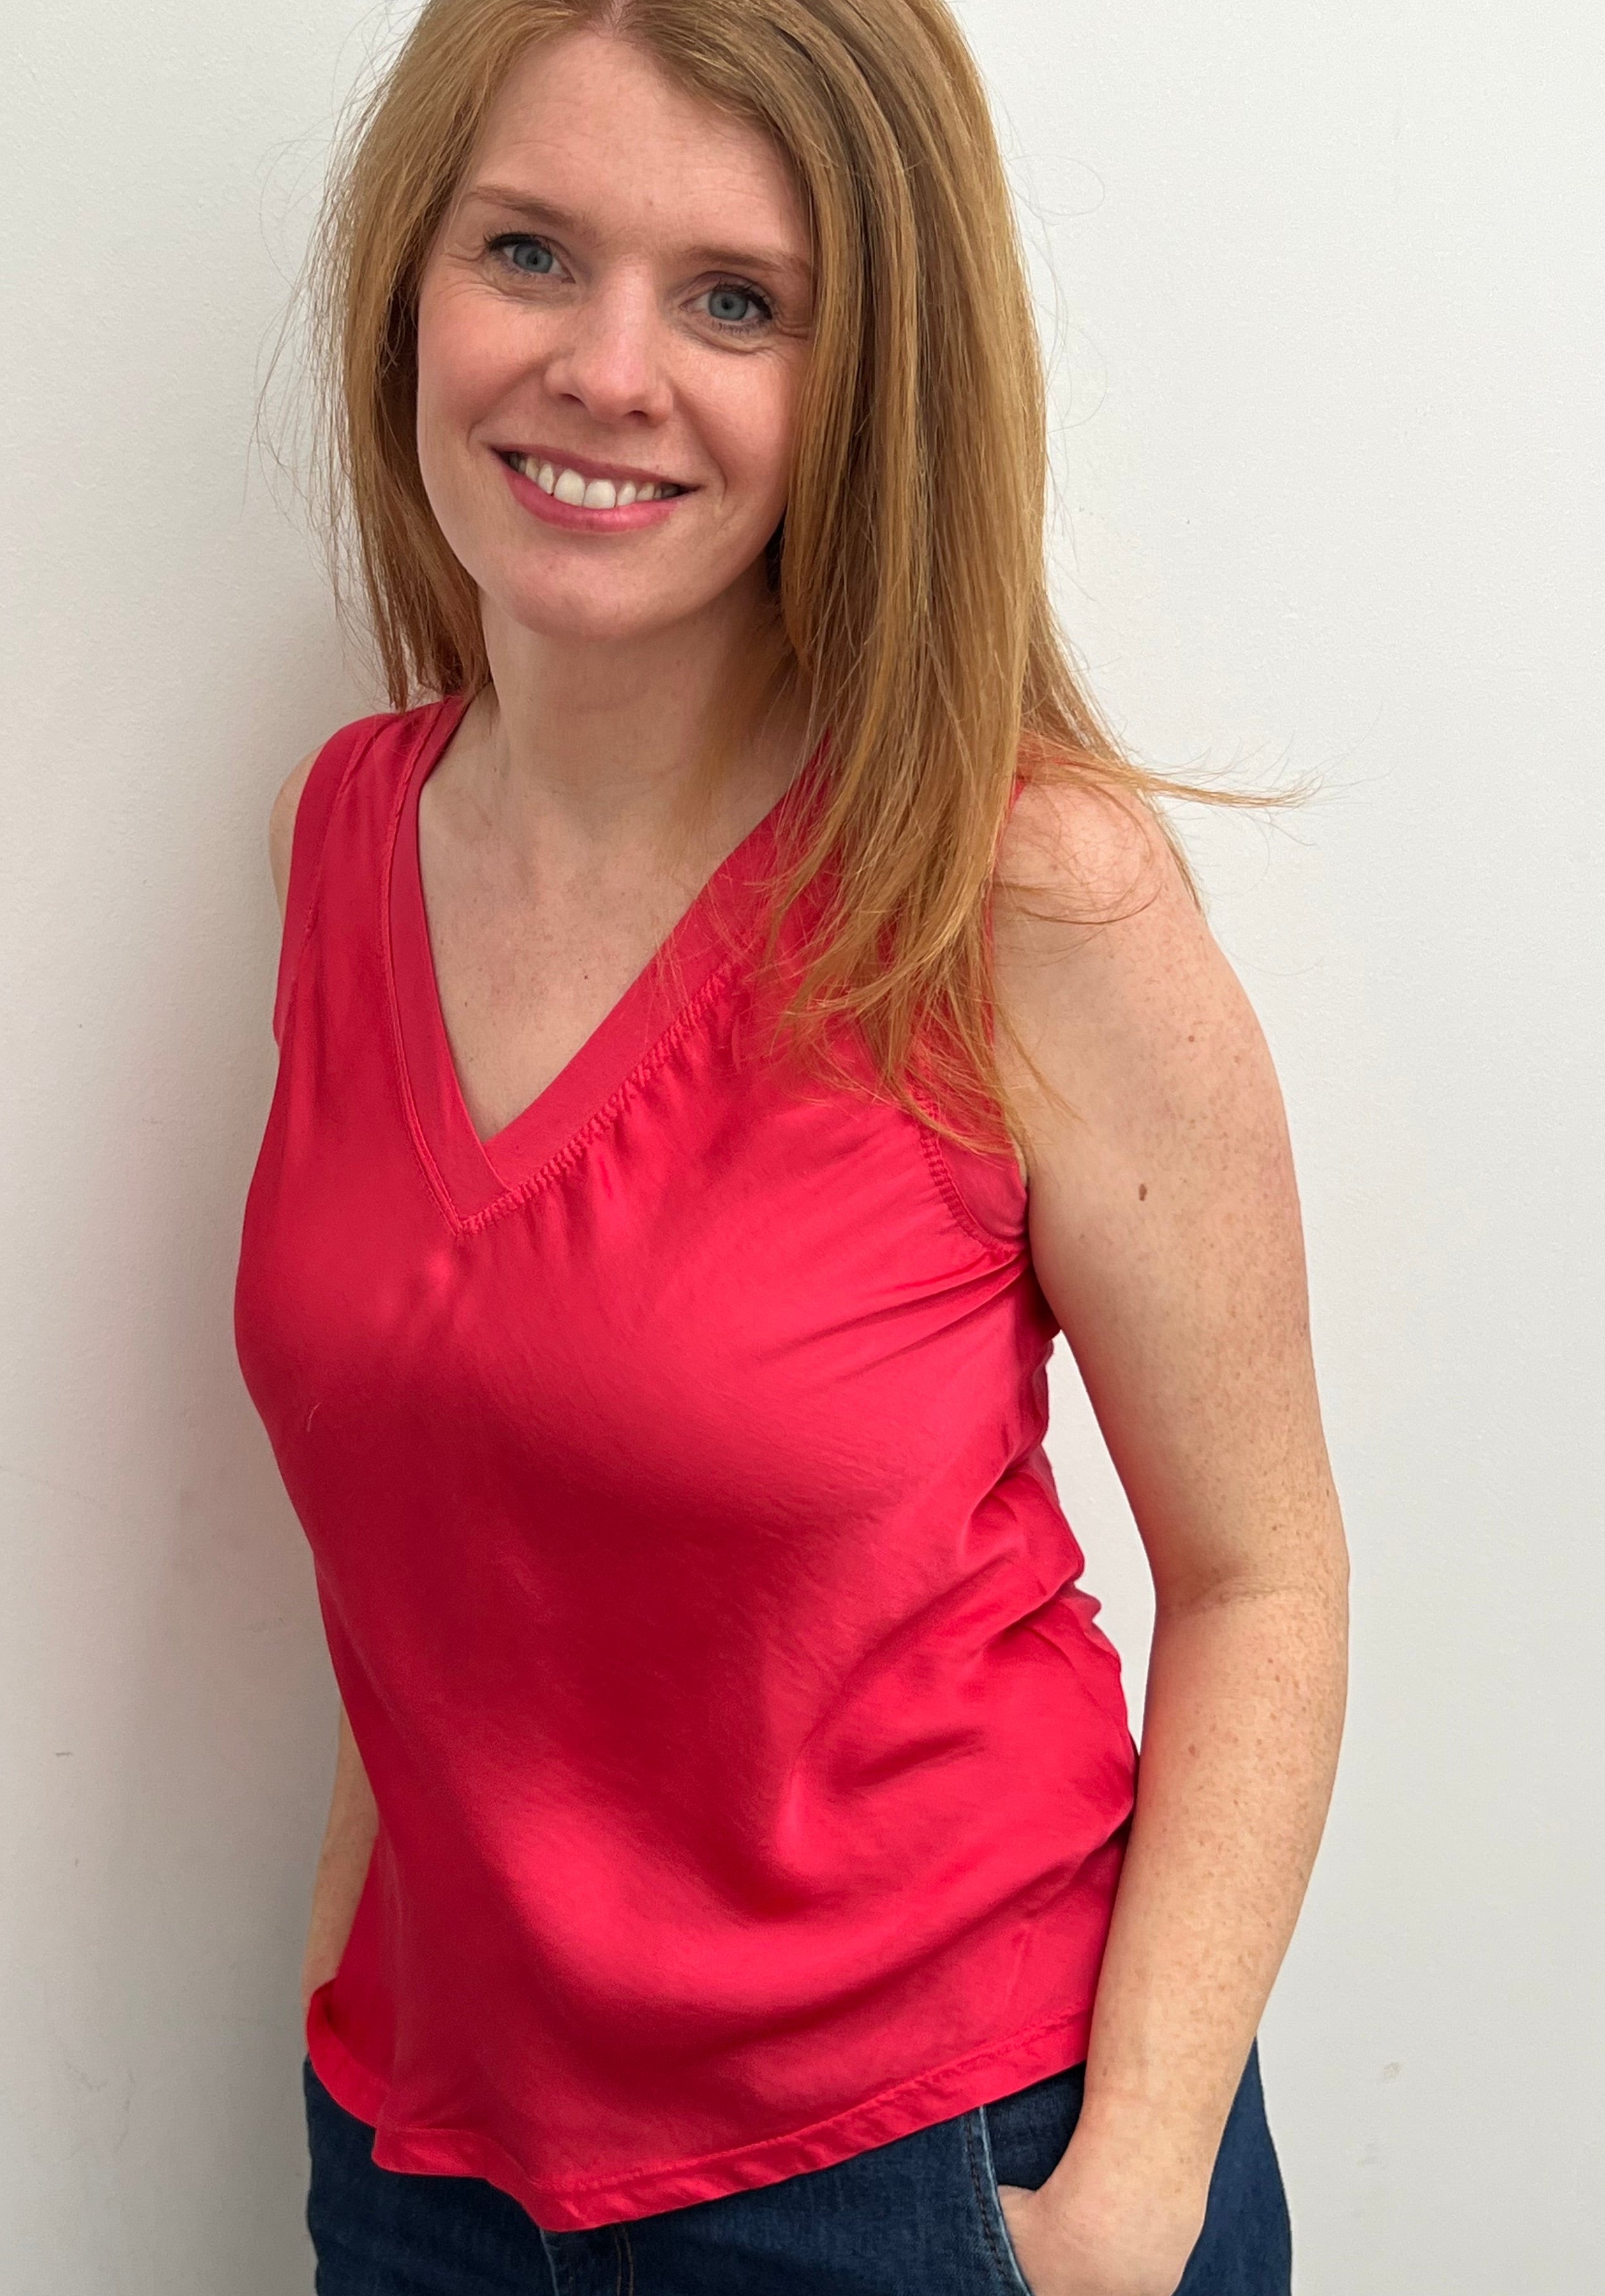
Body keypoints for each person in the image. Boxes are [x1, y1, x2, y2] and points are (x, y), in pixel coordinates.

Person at [233, 2, 1350, 2289]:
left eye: (738, 301)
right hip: (431, 2167)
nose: (608, 371)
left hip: (936, 2175)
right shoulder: (344, 840)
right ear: (411, 288)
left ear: (874, 380)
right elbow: (446, 1510)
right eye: (529, 253)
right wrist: (347, 1999)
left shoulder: (1024, 892)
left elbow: (1264, 1583)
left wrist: (1125, 2199)